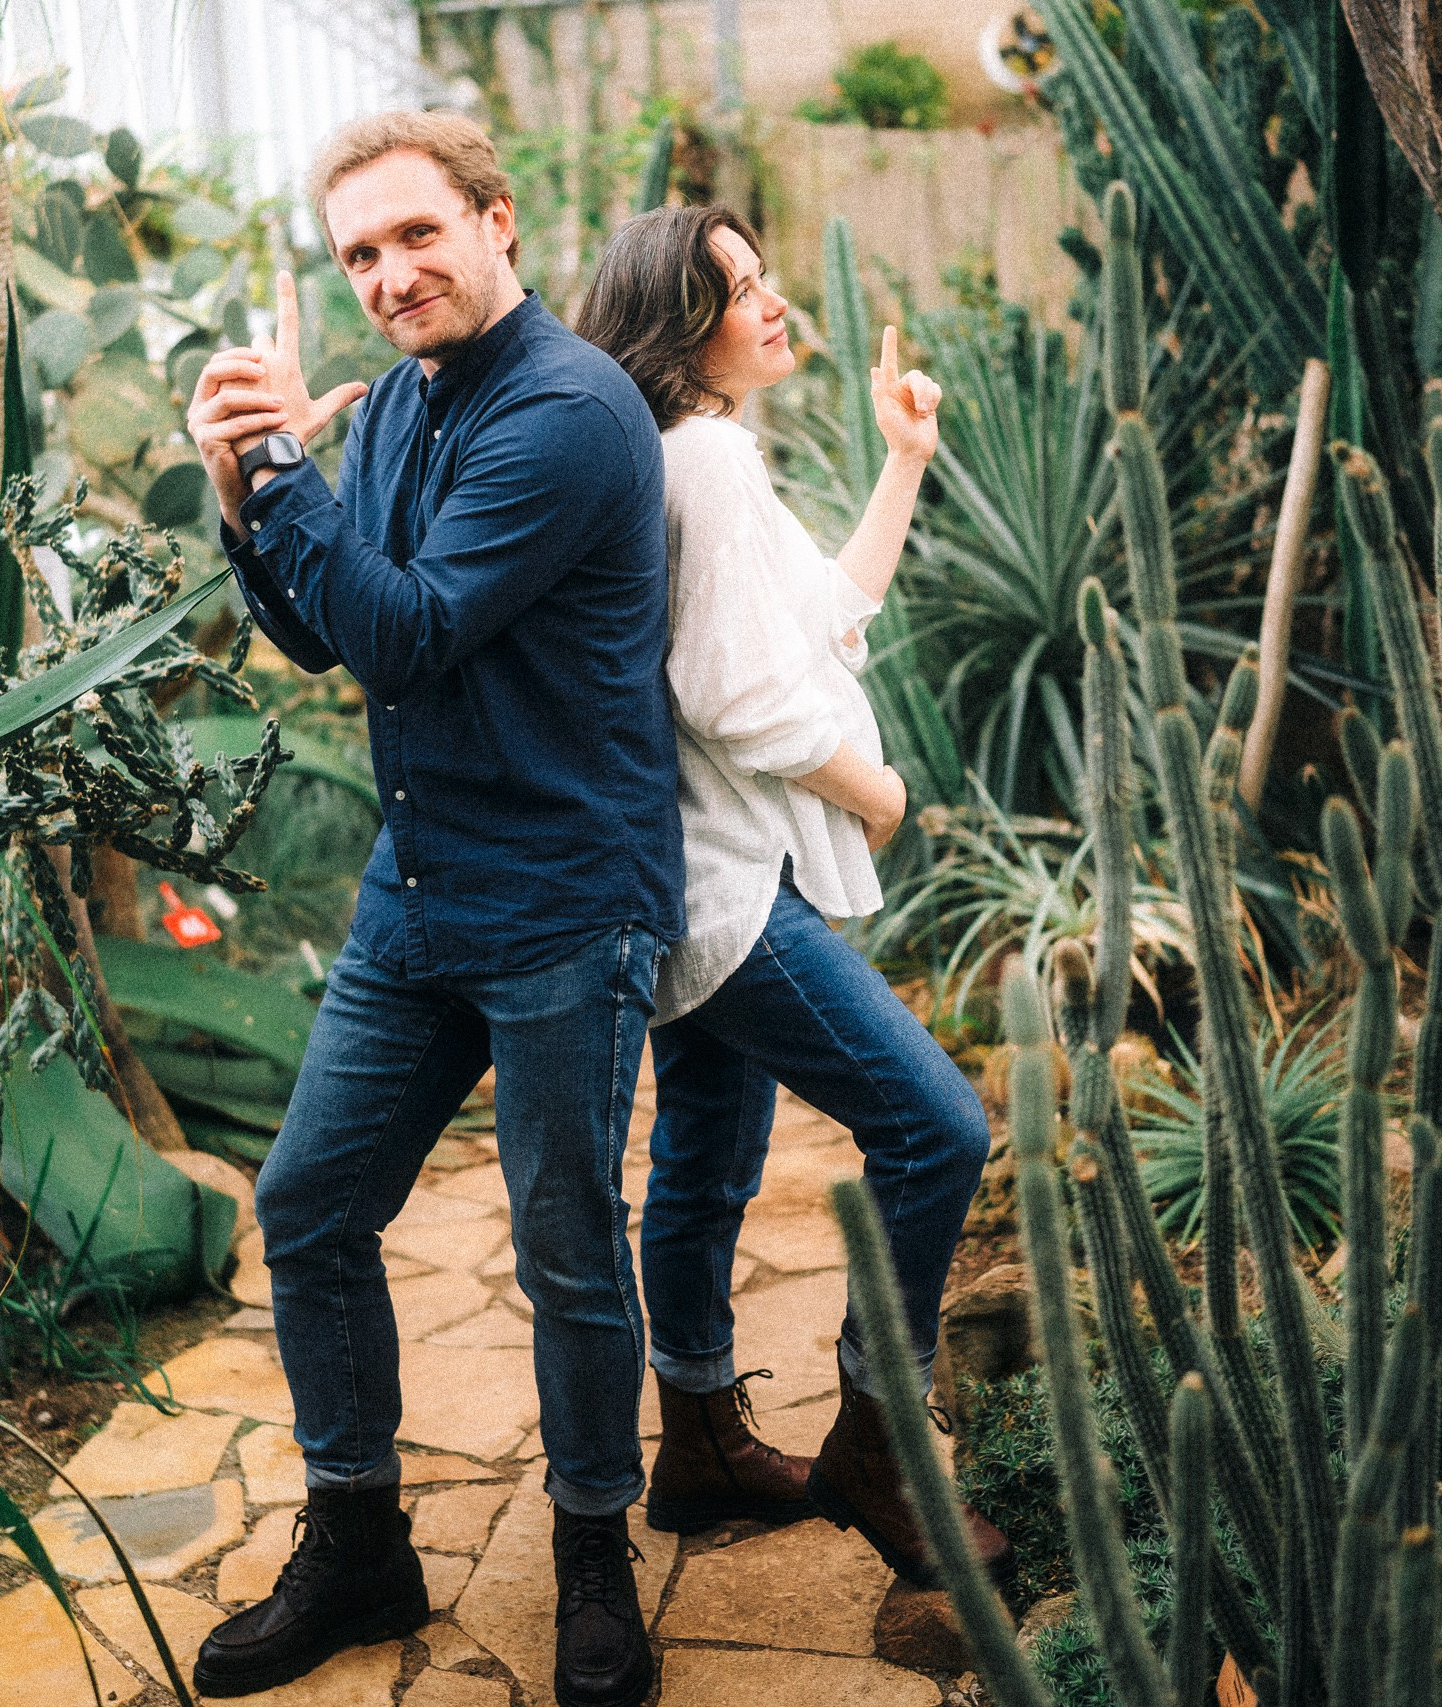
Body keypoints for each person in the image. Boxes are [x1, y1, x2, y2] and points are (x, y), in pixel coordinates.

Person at [182, 112, 679, 1706]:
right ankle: (358, 1540)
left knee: (565, 1251)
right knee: (311, 1207)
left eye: (415, 236)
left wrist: (279, 463)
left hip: (560, 899)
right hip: (419, 895)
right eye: (359, 256)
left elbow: (408, 633)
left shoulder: (573, 414)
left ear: (497, 220)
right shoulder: (396, 411)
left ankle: (594, 1556)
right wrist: (243, 497)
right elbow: (331, 634)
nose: (389, 276)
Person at [574, 206, 1008, 1587]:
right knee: (940, 1130)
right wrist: (872, 793)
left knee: (702, 1161)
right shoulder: (701, 457)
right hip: (729, 890)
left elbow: (819, 615)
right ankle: (877, 1448)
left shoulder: (695, 458)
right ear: (673, 321)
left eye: (763, 277)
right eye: (735, 287)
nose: (768, 304)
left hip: (693, 875)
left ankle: (697, 1440)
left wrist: (903, 462)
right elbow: (735, 691)